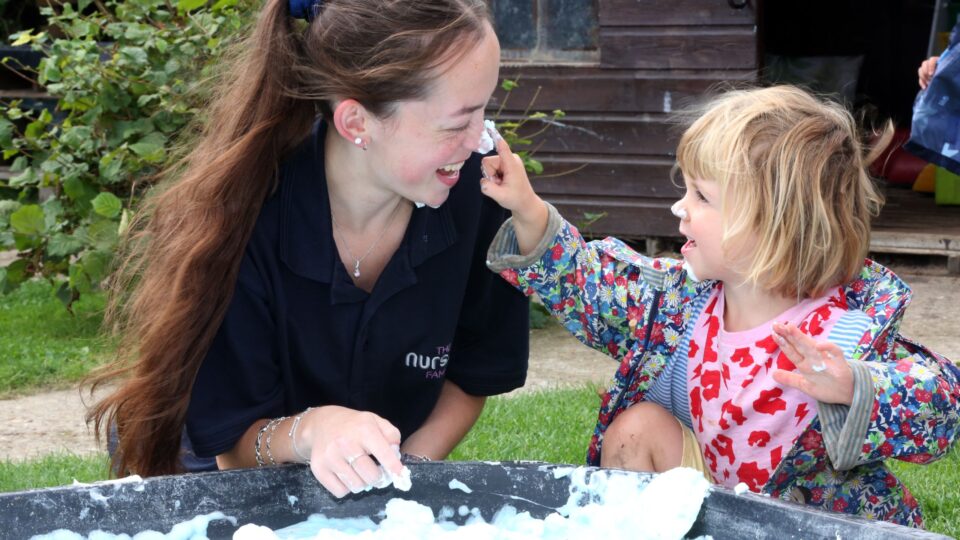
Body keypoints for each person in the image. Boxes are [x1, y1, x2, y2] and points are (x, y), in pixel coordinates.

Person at [87, 0, 529, 498]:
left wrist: (403, 478)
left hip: (364, 474)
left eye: (485, 110)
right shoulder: (243, 216)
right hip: (216, 479)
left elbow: (473, 373)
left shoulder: (482, 193)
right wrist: (316, 429)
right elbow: (230, 450)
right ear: (357, 122)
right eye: (456, 124)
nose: (481, 141)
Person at [480, 85, 960, 527]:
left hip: (806, 526)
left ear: (775, 222)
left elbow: (941, 404)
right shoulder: (678, 305)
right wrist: (530, 211)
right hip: (708, 506)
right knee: (636, 429)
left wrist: (857, 386)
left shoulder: (845, 332)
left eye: (702, 196)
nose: (680, 208)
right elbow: (590, 283)